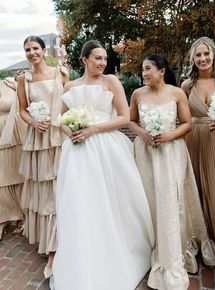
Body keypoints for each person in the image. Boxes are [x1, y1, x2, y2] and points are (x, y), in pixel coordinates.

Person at [52, 40, 155, 290]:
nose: (102, 63)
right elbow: (61, 118)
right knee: (81, 201)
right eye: (97, 58)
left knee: (110, 198)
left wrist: (94, 128)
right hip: (77, 152)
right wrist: (72, 131)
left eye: (105, 59)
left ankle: (118, 247)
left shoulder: (111, 81)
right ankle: (84, 253)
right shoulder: (71, 85)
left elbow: (124, 117)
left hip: (107, 147)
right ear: (84, 60)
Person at [129, 54, 215, 290]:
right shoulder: (137, 94)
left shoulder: (177, 93)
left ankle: (173, 246)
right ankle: (149, 244)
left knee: (171, 198)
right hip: (145, 154)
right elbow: (131, 122)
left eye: (148, 68)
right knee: (148, 198)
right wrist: (142, 133)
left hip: (171, 153)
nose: (144, 73)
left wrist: (168, 135)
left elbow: (187, 124)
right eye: (142, 70)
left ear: (161, 70)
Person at [181, 36, 215, 290]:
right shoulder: (186, 85)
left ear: (214, 55)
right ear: (192, 58)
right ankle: (206, 240)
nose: (202, 59)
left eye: (206, 54)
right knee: (198, 189)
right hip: (194, 141)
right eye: (197, 55)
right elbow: (182, 117)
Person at [17, 35, 68, 278]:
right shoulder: (22, 79)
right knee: (45, 190)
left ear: (43, 49)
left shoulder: (60, 73)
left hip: (59, 138)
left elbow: (69, 103)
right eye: (27, 49)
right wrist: (34, 121)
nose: (32, 53)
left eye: (35, 48)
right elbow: (21, 110)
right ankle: (51, 248)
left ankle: (67, 238)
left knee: (63, 186)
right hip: (37, 140)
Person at [0, 77, 26, 239]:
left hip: (17, 135)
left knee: (20, 174)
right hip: (1, 138)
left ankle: (24, 215)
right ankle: (3, 218)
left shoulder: (9, 83)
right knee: (3, 178)